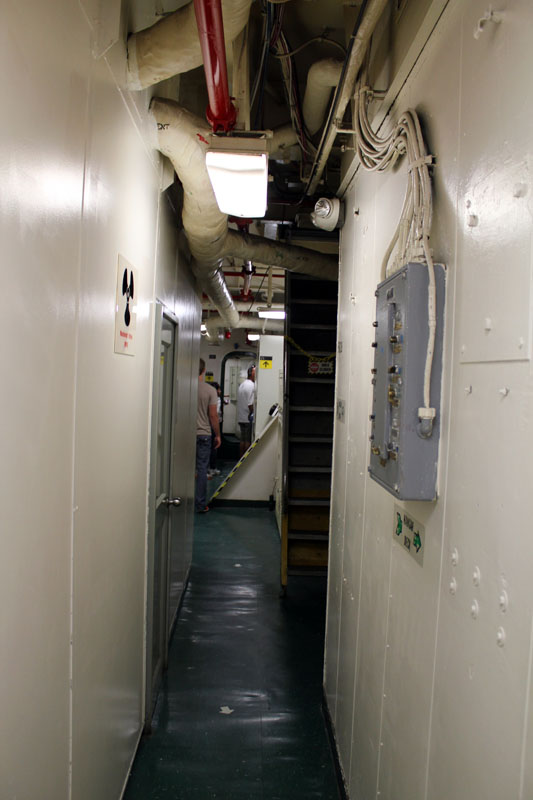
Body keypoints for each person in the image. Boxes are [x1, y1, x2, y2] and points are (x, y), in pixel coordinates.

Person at [196, 359, 220, 513]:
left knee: (181, 468)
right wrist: (217, 435)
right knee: (202, 470)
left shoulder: (182, 386)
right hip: (204, 434)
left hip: (184, 434)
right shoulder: (210, 390)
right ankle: (200, 505)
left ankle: (181, 502)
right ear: (203, 370)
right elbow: (213, 416)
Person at [237, 364, 256, 457]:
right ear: (251, 373)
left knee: (242, 440)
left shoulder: (242, 385)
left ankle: (240, 460)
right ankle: (246, 460)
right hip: (248, 418)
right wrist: (253, 413)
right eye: (255, 372)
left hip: (241, 417)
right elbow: (250, 404)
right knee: (248, 441)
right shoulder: (252, 386)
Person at [208, 382, 222, 478]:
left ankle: (211, 467)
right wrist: (218, 434)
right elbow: (214, 414)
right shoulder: (216, 399)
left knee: (212, 448)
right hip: (212, 425)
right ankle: (211, 468)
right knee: (213, 447)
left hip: (209, 425)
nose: (220, 391)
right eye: (218, 389)